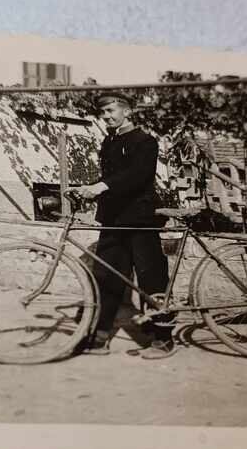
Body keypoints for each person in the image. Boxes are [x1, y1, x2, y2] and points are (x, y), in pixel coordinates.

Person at [71, 91, 176, 359]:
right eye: (103, 113)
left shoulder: (145, 141)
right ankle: (100, 337)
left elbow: (138, 175)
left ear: (127, 112)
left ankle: (163, 339)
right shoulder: (109, 141)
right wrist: (88, 188)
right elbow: (112, 176)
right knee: (106, 277)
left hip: (140, 218)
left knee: (151, 276)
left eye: (111, 112)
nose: (106, 117)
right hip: (113, 218)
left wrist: (102, 186)